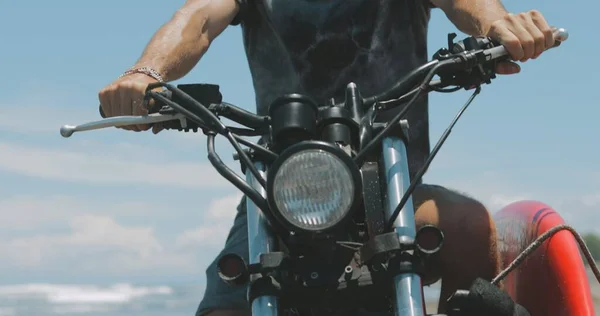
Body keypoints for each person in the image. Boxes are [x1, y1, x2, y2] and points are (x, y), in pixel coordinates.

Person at [98, 0, 557, 314]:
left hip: (392, 188)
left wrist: (496, 25)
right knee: (226, 303)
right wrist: (145, 73)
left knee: (470, 229)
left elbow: (469, 2)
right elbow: (197, 17)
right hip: (280, 190)